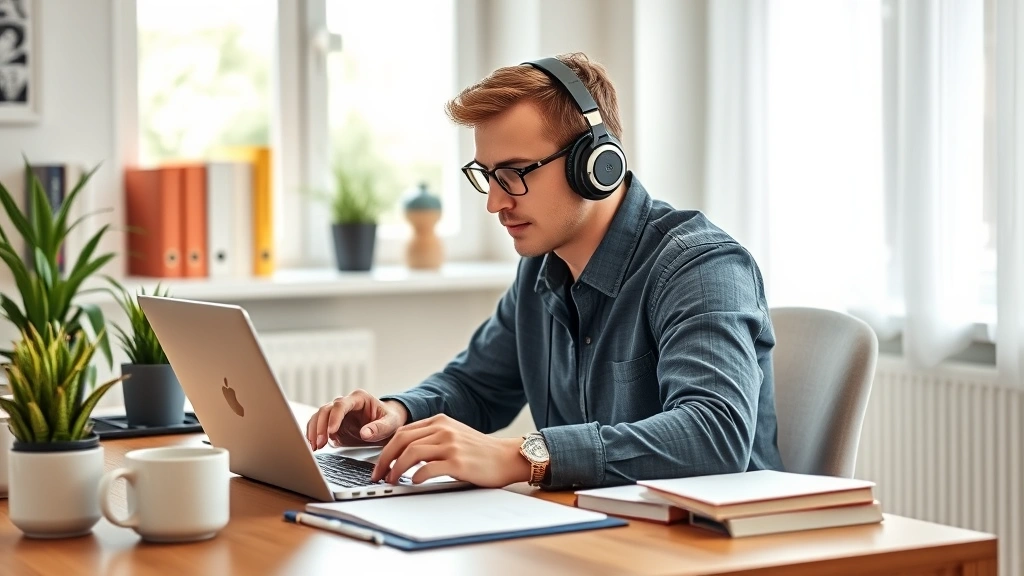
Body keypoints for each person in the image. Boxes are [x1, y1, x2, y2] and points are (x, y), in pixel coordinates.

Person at [306, 53, 783, 490]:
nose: (496, 202)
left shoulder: (700, 267)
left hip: (710, 549)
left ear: (596, 164)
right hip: (593, 534)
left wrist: (524, 456)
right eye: (487, 176)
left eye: (514, 173)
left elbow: (715, 434)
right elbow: (477, 385)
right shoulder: (540, 269)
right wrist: (396, 413)